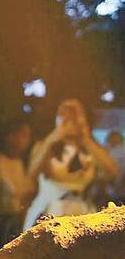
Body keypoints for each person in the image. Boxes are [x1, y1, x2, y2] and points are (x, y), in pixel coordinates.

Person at [23, 98, 119, 229]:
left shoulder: (91, 149)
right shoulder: (45, 146)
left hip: (81, 213)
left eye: (76, 117)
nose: (71, 123)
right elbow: (32, 174)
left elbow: (112, 172)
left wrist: (86, 139)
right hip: (49, 211)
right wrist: (54, 137)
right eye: (65, 116)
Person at [0, 122, 34, 249]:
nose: (22, 140)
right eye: (19, 134)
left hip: (14, 224)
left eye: (26, 136)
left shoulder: (26, 165)